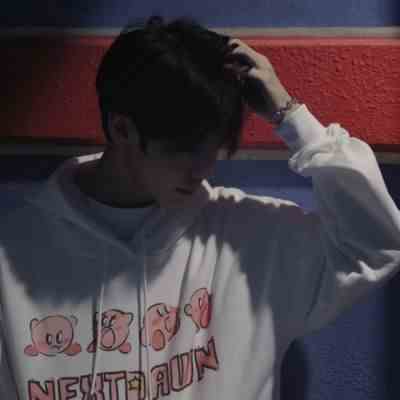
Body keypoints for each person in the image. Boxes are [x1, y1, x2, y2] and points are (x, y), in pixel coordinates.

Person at [0, 14, 399, 400]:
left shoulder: (250, 240)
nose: (202, 170)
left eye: (213, 150)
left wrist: (291, 116)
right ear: (122, 129)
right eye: (184, 150)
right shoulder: (14, 253)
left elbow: (375, 245)